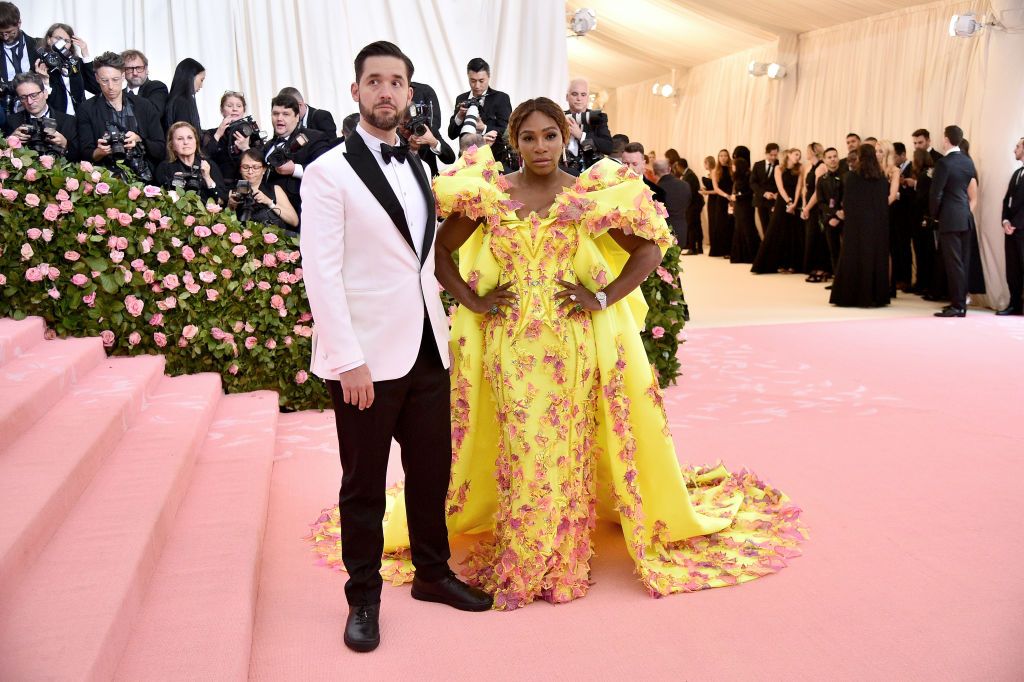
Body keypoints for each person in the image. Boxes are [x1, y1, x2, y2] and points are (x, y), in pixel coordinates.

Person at [311, 95, 807, 611]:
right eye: (529, 137)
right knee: (522, 448)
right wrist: (473, 300)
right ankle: (525, 549)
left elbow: (649, 248)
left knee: (565, 447)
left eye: (550, 136)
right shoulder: (492, 195)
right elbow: (435, 252)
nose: (540, 146)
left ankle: (562, 553)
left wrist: (602, 297)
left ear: (565, 137)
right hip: (507, 348)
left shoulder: (587, 196)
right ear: (514, 142)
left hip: (572, 347)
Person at [300, 41, 492, 653]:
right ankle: (363, 596)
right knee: (363, 485)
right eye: (375, 81)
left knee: (431, 473)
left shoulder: (417, 165)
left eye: (396, 82)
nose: (386, 91)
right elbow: (320, 273)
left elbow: (420, 260)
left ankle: (432, 574)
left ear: (409, 93)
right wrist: (347, 359)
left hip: (428, 348)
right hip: (365, 360)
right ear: (355, 91)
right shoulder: (328, 171)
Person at [76, 51, 164, 178]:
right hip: (105, 178)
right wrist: (99, 152)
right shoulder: (87, 109)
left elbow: (161, 148)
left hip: (144, 176)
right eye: (104, 80)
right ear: (97, 78)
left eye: (115, 80)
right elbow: (84, 153)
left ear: (123, 76)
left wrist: (140, 140)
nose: (110, 86)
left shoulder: (144, 106)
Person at [829, 144, 892, 308]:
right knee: (874, 257)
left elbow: (848, 202)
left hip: (856, 225)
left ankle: (851, 295)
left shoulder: (851, 177)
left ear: (860, 157)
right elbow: (883, 204)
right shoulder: (882, 179)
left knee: (853, 257)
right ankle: (876, 296)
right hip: (877, 225)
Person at [929, 125, 978, 317]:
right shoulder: (967, 161)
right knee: (962, 263)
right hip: (965, 216)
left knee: (953, 264)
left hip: (949, 218)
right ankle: (960, 303)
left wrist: (935, 215)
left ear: (946, 139)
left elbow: (936, 194)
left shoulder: (944, 163)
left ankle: (958, 306)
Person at [262, 92, 328, 215]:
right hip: (269, 215)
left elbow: (326, 171)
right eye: (275, 114)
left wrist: (294, 169)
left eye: (286, 114)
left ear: (297, 117)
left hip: (301, 213)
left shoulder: (314, 138)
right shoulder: (267, 146)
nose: (279, 118)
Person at [446, 57, 512, 166]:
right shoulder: (461, 99)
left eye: (481, 81)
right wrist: (460, 116)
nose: (477, 86)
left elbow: (507, 132)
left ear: (488, 77)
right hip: (466, 161)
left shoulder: (501, 98)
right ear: (468, 77)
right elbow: (451, 134)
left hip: (493, 160)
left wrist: (484, 128)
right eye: (473, 81)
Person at [752, 148, 804, 274]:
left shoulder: (800, 168)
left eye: (799, 155)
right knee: (776, 231)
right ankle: (776, 263)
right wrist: (788, 202)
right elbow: (780, 188)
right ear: (789, 155)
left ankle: (793, 264)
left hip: (795, 202)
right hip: (782, 201)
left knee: (793, 232)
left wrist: (795, 203)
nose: (798, 157)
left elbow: (799, 187)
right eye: (796, 154)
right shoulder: (778, 168)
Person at [5, 72, 78, 159]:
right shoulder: (12, 122)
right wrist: (10, 142)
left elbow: (80, 158)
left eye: (34, 95)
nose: (30, 102)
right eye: (23, 97)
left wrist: (65, 144)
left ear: (45, 93)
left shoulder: (68, 121)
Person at [33, 23, 98, 116]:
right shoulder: (40, 65)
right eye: (58, 38)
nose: (62, 44)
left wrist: (85, 54)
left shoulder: (75, 62)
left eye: (66, 41)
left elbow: (96, 88)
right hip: (56, 118)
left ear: (71, 44)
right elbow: (37, 102)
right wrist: (45, 82)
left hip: (79, 117)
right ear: (48, 40)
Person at [227, 149, 298, 231]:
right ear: (240, 169)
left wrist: (269, 202)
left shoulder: (275, 189)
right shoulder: (234, 192)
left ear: (264, 169)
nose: (250, 171)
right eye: (245, 167)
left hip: (274, 236)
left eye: (256, 167)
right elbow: (228, 224)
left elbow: (294, 221)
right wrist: (230, 207)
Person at [155, 121, 226, 204]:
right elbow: (159, 201)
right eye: (180, 139)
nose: (186, 142)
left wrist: (207, 177)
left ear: (196, 141)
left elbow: (221, 201)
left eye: (190, 138)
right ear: (172, 145)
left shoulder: (209, 165)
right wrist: (173, 184)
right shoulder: (165, 167)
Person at [202, 90, 258, 185]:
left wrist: (245, 148)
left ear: (244, 110)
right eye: (229, 106)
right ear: (222, 110)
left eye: (239, 106)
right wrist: (218, 134)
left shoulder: (252, 134)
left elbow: (260, 165)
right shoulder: (210, 134)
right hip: (218, 185)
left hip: (246, 185)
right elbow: (203, 158)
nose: (234, 109)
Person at [803, 147, 843, 278]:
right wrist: (833, 215)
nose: (833, 159)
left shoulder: (846, 176)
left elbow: (849, 199)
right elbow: (821, 202)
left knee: (848, 251)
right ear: (824, 160)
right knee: (833, 250)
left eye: (835, 156)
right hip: (829, 218)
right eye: (829, 157)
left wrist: (840, 216)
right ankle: (837, 279)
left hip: (845, 218)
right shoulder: (821, 180)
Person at [562, 77, 612, 175]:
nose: (579, 98)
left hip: (591, 175)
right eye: (574, 94)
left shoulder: (598, 117)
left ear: (588, 98)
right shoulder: (559, 117)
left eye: (583, 95)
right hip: (562, 174)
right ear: (567, 97)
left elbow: (608, 147)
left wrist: (581, 135)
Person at [907, 148, 939, 298]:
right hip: (930, 218)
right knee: (928, 253)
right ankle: (927, 284)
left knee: (921, 253)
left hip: (920, 219)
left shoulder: (923, 176)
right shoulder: (932, 173)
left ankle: (922, 284)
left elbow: (920, 199)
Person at [998, 137, 1024, 315]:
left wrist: (1016, 223)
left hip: (1021, 228)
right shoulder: (1017, 173)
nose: (1014, 150)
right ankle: (1014, 304)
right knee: (1012, 269)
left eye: (1018, 146)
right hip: (1012, 230)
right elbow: (1007, 199)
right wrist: (1005, 221)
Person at [399, 106, 454, 178]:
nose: (406, 128)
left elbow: (450, 159)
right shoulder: (393, 136)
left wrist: (433, 142)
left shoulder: (426, 129)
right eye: (403, 124)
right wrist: (411, 149)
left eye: (410, 124)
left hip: (431, 179)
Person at [801, 142, 829, 281]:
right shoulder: (809, 167)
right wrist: (804, 206)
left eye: (808, 150)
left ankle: (821, 269)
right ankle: (814, 267)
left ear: (813, 151)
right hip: (808, 206)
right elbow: (805, 189)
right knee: (810, 236)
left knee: (818, 237)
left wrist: (807, 207)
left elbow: (818, 191)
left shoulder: (821, 167)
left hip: (816, 207)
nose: (806, 153)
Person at [729, 145, 760, 263]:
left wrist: (737, 196)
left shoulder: (748, 176)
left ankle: (753, 255)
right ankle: (740, 256)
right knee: (739, 229)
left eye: (734, 165)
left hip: (746, 206)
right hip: (739, 206)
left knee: (748, 229)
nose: (732, 167)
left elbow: (750, 192)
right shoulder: (737, 177)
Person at [121, 49, 168, 123]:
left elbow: (154, 114)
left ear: (146, 69)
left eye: (139, 68)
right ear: (122, 72)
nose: (135, 73)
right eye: (129, 69)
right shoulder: (118, 94)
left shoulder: (157, 87)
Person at [655, 157, 690, 247]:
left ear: (654, 172)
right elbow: (688, 204)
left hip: (664, 231)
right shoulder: (685, 185)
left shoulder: (656, 190)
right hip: (681, 229)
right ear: (670, 169)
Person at [163, 57, 205, 130]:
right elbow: (186, 134)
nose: (201, 86)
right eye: (201, 80)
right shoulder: (183, 102)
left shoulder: (176, 100)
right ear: (191, 77)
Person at [709, 148, 734, 257]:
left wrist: (732, 195)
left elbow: (735, 183)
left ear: (728, 157)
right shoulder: (715, 170)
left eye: (725, 155)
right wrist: (726, 195)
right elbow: (716, 188)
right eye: (721, 156)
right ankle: (720, 250)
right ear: (718, 158)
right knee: (721, 224)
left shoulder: (732, 169)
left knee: (730, 224)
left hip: (732, 199)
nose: (723, 158)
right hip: (721, 199)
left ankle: (729, 250)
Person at [751, 143, 779, 237]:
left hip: (774, 200)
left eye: (775, 155)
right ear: (766, 153)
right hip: (761, 200)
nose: (773, 157)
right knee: (764, 225)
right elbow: (752, 183)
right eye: (771, 155)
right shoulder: (758, 165)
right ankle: (766, 245)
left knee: (774, 226)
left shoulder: (780, 164)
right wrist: (764, 193)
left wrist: (777, 193)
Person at [678, 157, 704, 254]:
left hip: (693, 204)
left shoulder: (689, 176)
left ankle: (693, 248)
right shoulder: (688, 174)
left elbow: (689, 192)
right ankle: (697, 247)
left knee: (692, 225)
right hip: (694, 204)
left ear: (680, 166)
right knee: (695, 225)